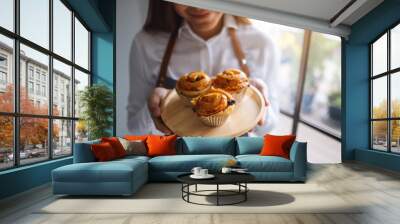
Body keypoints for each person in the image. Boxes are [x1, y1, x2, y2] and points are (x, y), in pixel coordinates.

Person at [127, 0, 280, 136]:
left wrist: (259, 103)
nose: (198, 5)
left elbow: (268, 127)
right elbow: (135, 127)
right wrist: (154, 108)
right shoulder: (146, 43)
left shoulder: (262, 44)